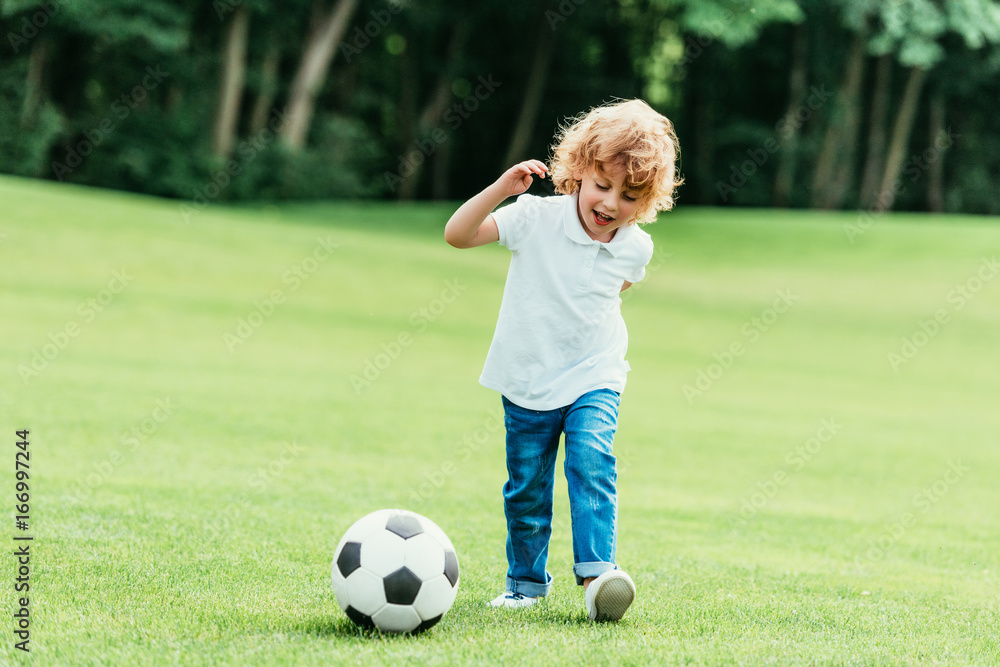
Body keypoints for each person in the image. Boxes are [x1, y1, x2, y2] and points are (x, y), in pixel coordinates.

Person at [443, 99, 681, 622]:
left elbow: (610, 295)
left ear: (648, 202)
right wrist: (501, 191)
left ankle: (599, 577)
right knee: (526, 488)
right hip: (527, 377)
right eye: (603, 184)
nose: (612, 203)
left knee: (591, 458)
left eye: (630, 195)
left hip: (595, 374)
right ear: (579, 172)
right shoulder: (533, 218)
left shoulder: (636, 248)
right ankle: (526, 583)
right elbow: (457, 235)